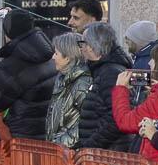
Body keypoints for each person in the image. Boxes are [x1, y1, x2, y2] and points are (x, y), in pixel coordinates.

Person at [0, 10, 56, 141]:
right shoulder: (49, 56)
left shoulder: (14, 63)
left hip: (20, 138)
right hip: (46, 134)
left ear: (8, 33)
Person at [76, 22, 133, 152]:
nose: (81, 48)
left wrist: (90, 145)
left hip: (109, 153)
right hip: (103, 151)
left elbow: (115, 117)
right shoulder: (103, 70)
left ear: (92, 46)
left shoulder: (110, 73)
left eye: (83, 43)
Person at [45, 32, 93, 148]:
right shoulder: (61, 78)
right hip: (60, 151)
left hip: (71, 154)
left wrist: (59, 145)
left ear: (67, 58)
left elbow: (86, 124)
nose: (53, 57)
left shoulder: (83, 83)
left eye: (56, 53)